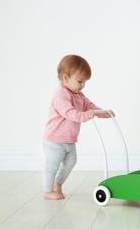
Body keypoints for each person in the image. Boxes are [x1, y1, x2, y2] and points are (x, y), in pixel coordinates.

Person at [43, 54, 114, 200]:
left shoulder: (78, 94)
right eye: (80, 81)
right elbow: (68, 112)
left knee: (71, 162)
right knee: (52, 166)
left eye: (85, 82)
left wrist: (103, 112)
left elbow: (89, 106)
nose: (83, 85)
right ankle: (47, 191)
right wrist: (84, 116)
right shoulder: (60, 94)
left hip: (69, 140)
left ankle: (58, 184)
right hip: (55, 140)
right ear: (66, 78)